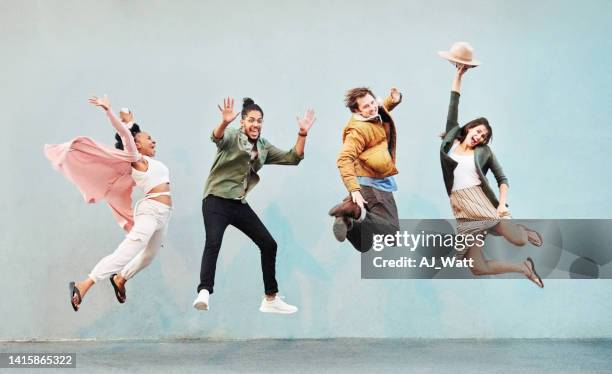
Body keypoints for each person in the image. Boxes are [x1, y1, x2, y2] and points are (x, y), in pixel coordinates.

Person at [44, 95, 173, 311]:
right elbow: (125, 136)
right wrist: (109, 111)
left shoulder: (152, 161)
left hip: (164, 215)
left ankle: (120, 279)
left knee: (149, 256)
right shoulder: (136, 159)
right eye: (148, 138)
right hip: (150, 211)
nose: (154, 141)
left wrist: (131, 122)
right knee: (127, 251)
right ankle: (84, 285)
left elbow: (129, 133)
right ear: (137, 145)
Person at [193, 97, 315, 314]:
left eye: (259, 121)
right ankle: (204, 291)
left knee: (269, 244)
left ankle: (270, 298)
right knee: (213, 242)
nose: (256, 125)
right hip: (215, 200)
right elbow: (216, 137)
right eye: (251, 120)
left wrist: (303, 133)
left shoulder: (263, 146)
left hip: (238, 203)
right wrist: (224, 122)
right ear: (242, 122)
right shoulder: (232, 136)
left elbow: (293, 158)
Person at [438, 49, 544, 287]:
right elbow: (453, 101)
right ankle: (522, 268)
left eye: (484, 136)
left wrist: (502, 204)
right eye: (478, 131)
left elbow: (502, 178)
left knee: (517, 240)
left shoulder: (483, 153)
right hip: (461, 206)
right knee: (478, 268)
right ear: (470, 128)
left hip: (479, 201)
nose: (479, 136)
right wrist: (459, 74)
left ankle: (522, 230)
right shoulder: (451, 140)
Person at [328, 87, 403, 252]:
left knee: (364, 244)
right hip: (373, 186)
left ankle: (348, 220)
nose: (372, 107)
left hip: (369, 183)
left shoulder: (371, 116)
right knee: (392, 233)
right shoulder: (357, 131)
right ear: (356, 111)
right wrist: (354, 190)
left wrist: (394, 99)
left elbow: (382, 107)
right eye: (366, 106)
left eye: (372, 102)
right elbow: (344, 159)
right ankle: (354, 211)